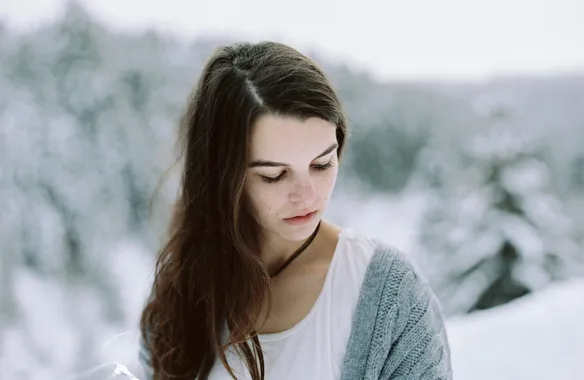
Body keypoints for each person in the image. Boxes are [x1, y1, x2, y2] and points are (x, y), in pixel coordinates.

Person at [138, 41, 452, 380]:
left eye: (322, 164)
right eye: (274, 175)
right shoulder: (183, 286)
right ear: (221, 176)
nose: (307, 196)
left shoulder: (389, 294)